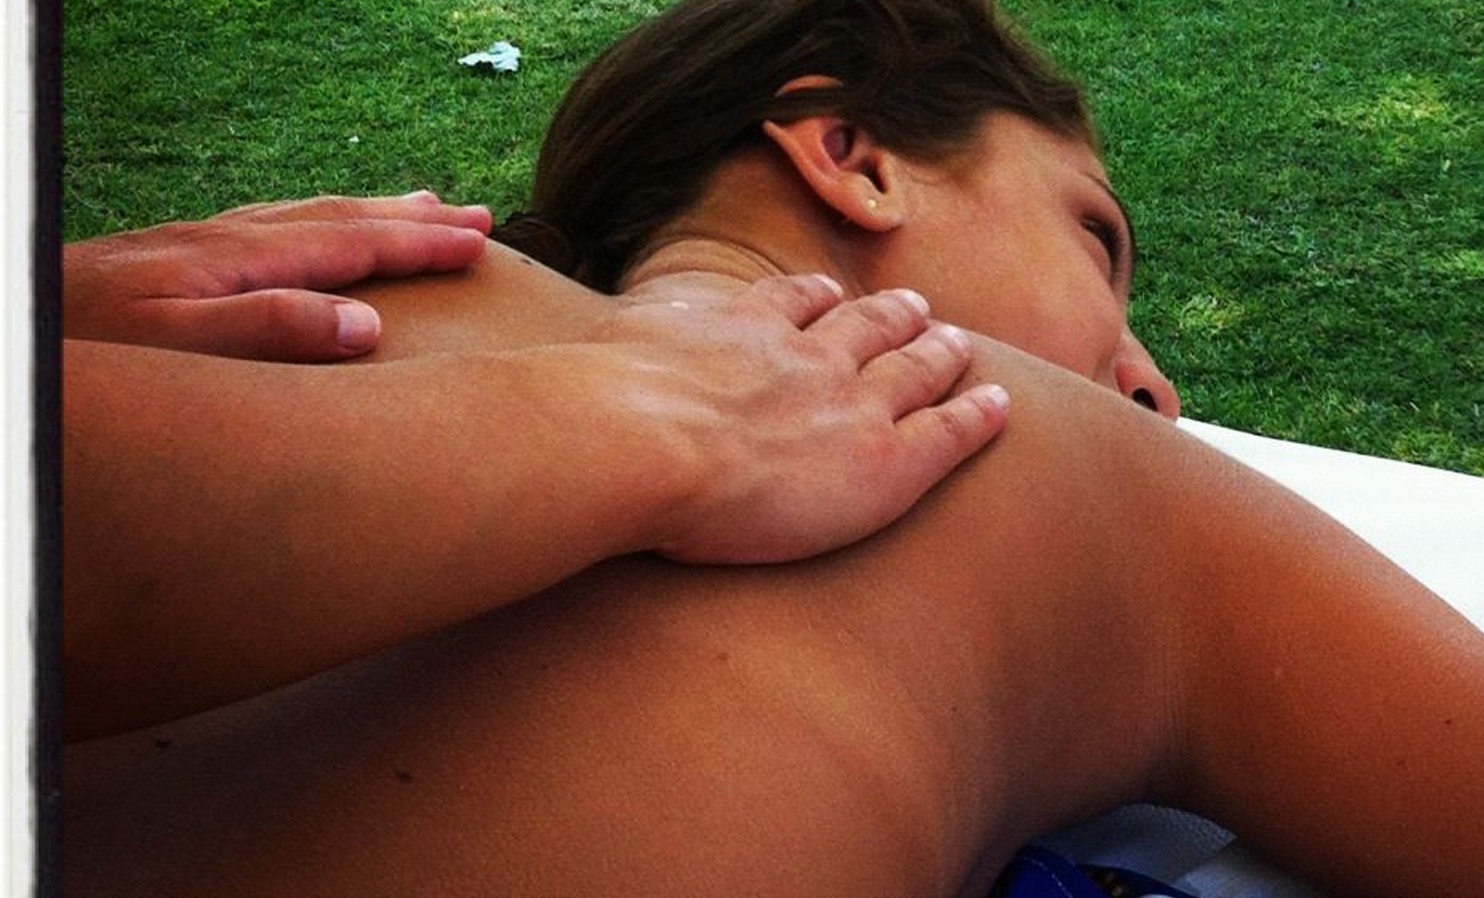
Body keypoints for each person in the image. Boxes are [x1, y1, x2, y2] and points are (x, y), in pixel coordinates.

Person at [62, 0, 1484, 897]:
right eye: (1096, 242)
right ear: (851, 153)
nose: (1151, 378)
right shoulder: (1030, 466)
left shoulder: (229, 309)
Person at [62, 191, 1009, 740]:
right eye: (1081, 225)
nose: (1155, 391)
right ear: (854, 162)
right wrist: (670, 419)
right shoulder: (985, 426)